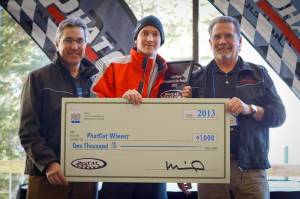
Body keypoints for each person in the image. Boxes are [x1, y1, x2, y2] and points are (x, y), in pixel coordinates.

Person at [178, 16, 286, 199]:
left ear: (240, 41)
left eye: (228, 36)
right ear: (210, 42)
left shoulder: (258, 73)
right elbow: (185, 129)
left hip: (251, 169)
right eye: (217, 37)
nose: (222, 41)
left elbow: (279, 116)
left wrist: (250, 109)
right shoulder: (195, 79)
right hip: (208, 169)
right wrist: (182, 166)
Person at [19, 18, 99, 199]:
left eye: (80, 41)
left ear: (86, 45)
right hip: (48, 175)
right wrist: (49, 163)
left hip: (86, 177)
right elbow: (27, 130)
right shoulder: (38, 78)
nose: (74, 46)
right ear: (57, 44)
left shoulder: (96, 83)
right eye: (68, 40)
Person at [92, 15, 168, 199]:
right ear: (136, 38)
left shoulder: (171, 74)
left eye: (155, 34)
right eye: (145, 33)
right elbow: (93, 107)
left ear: (161, 40)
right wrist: (120, 103)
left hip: (155, 164)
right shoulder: (114, 66)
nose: (150, 38)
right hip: (119, 161)